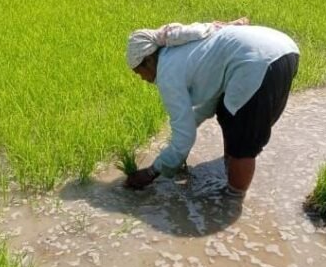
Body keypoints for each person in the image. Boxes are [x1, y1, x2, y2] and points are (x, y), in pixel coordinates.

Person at [124, 20, 299, 199]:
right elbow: (209, 105)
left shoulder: (166, 72)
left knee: (242, 140)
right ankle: (229, 167)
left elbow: (184, 138)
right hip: (285, 49)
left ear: (148, 61)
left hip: (258, 62)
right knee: (226, 111)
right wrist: (176, 147)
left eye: (139, 73)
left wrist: (152, 172)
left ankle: (231, 199)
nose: (142, 79)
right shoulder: (181, 49)